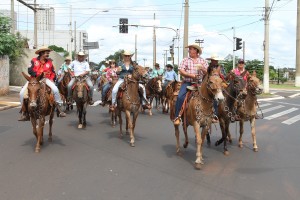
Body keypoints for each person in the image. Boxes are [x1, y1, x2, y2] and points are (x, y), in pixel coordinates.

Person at [18, 46, 66, 121]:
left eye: (48, 52)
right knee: (21, 93)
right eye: (46, 52)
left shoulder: (49, 62)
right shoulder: (33, 60)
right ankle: (24, 112)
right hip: (34, 79)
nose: (48, 54)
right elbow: (30, 70)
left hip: (46, 79)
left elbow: (53, 72)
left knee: (55, 89)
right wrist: (38, 74)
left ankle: (59, 108)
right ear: (41, 53)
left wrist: (52, 79)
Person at [173, 43, 208, 125]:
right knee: (180, 97)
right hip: (188, 82)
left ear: (196, 50)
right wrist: (191, 75)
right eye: (189, 49)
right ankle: (177, 116)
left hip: (200, 83)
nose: (189, 50)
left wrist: (202, 68)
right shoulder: (186, 60)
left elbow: (207, 72)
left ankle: (212, 115)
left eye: (191, 49)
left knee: (211, 95)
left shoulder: (202, 61)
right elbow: (181, 71)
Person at [206, 54, 224, 123]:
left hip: (219, 82)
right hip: (211, 83)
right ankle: (215, 115)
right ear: (212, 60)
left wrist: (221, 77)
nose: (216, 61)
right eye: (214, 60)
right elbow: (206, 75)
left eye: (216, 60)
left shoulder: (220, 67)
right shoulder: (208, 67)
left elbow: (223, 75)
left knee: (228, 93)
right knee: (215, 98)